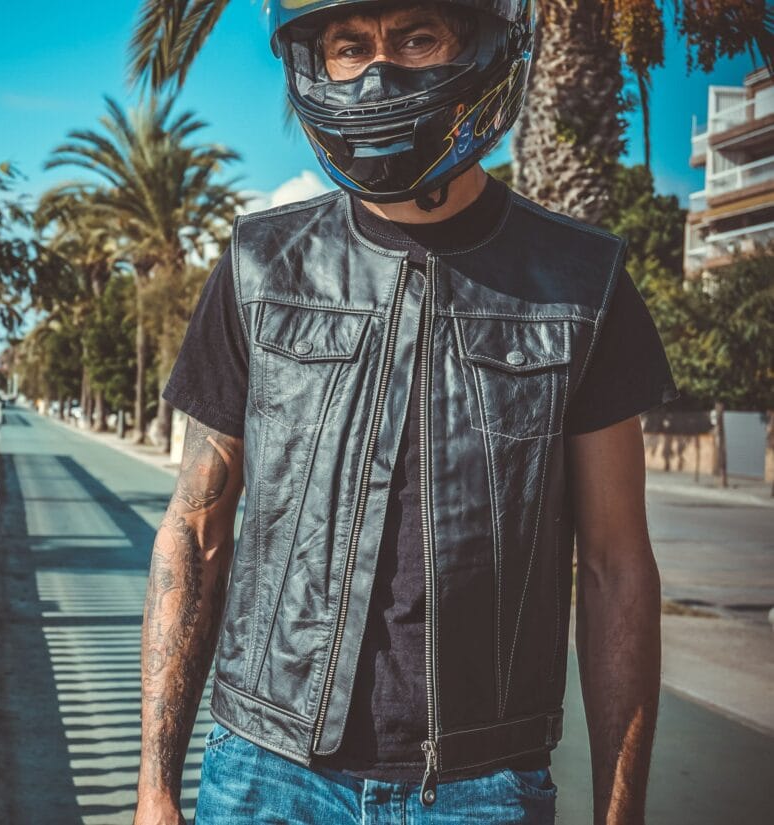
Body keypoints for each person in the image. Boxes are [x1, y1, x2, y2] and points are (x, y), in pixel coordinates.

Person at [134, 1, 679, 823]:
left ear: (485, 43)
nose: (380, 74)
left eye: (417, 37)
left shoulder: (583, 282)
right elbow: (196, 532)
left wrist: (621, 810)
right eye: (351, 48)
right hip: (265, 774)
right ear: (314, 65)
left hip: (482, 788)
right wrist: (154, 790)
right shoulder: (258, 266)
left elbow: (614, 568)